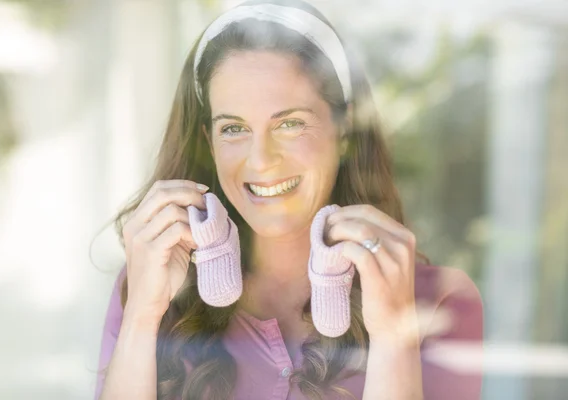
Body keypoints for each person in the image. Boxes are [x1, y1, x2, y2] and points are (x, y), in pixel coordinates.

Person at [95, 1, 483, 399]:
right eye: (233, 128)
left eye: (290, 123)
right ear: (209, 142)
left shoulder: (441, 303)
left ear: (345, 130)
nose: (261, 160)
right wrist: (142, 316)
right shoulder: (148, 283)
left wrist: (393, 340)